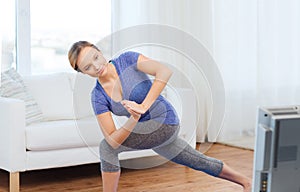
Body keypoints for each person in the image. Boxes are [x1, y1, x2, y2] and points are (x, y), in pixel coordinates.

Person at [68, 41, 252, 192]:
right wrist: (134, 118)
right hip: (147, 130)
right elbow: (113, 140)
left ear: (99, 51)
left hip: (165, 121)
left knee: (105, 149)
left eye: (96, 57)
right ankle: (247, 183)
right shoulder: (98, 96)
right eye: (88, 67)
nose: (97, 66)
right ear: (84, 73)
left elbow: (164, 71)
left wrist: (143, 106)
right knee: (198, 161)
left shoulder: (128, 60)